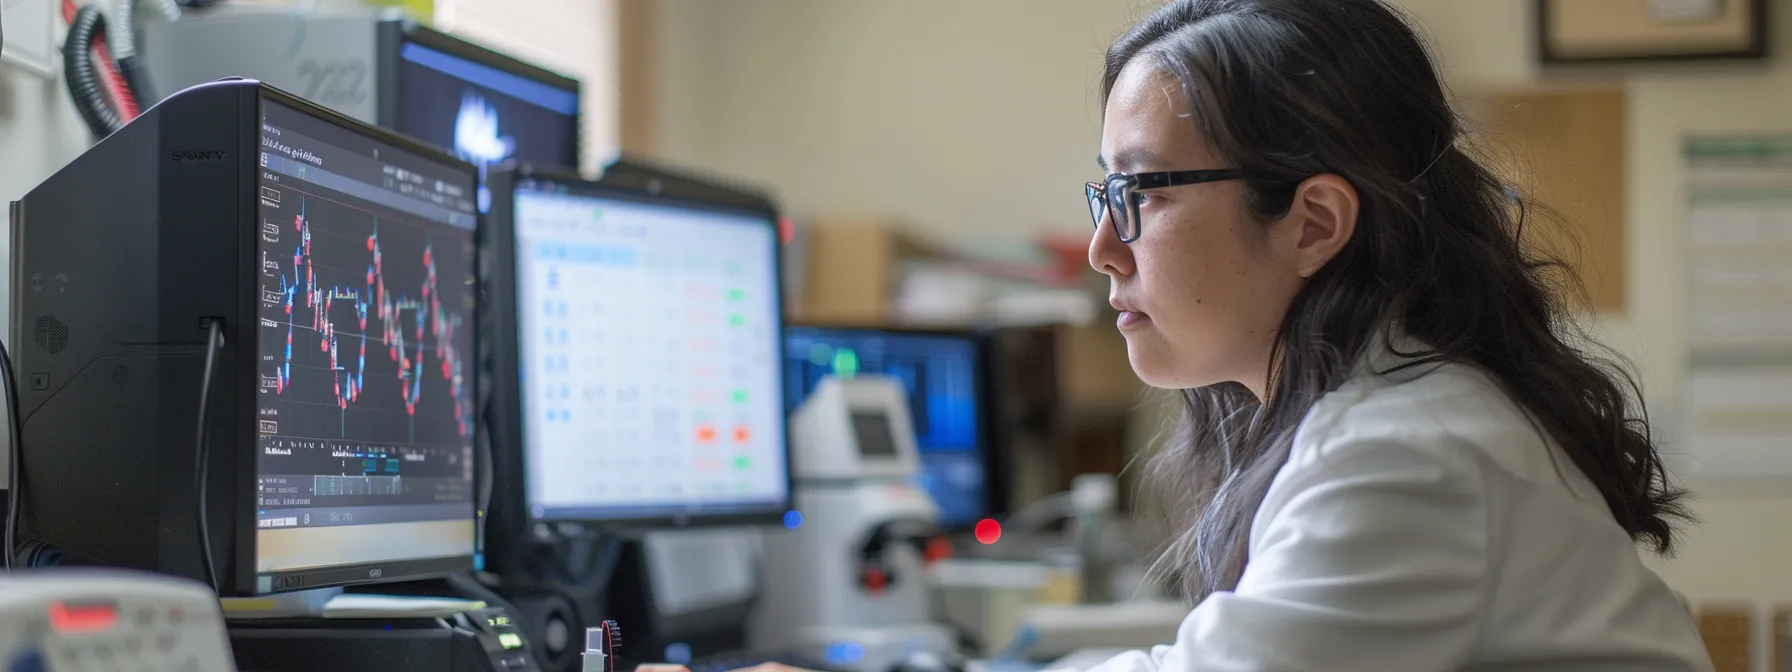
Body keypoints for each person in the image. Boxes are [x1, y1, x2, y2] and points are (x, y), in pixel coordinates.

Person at [642, 0, 1712, 670]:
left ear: (1314, 223)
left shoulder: (1410, 456)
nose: (1104, 246)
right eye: (1101, 191)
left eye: (1139, 192)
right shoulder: (1392, 417)